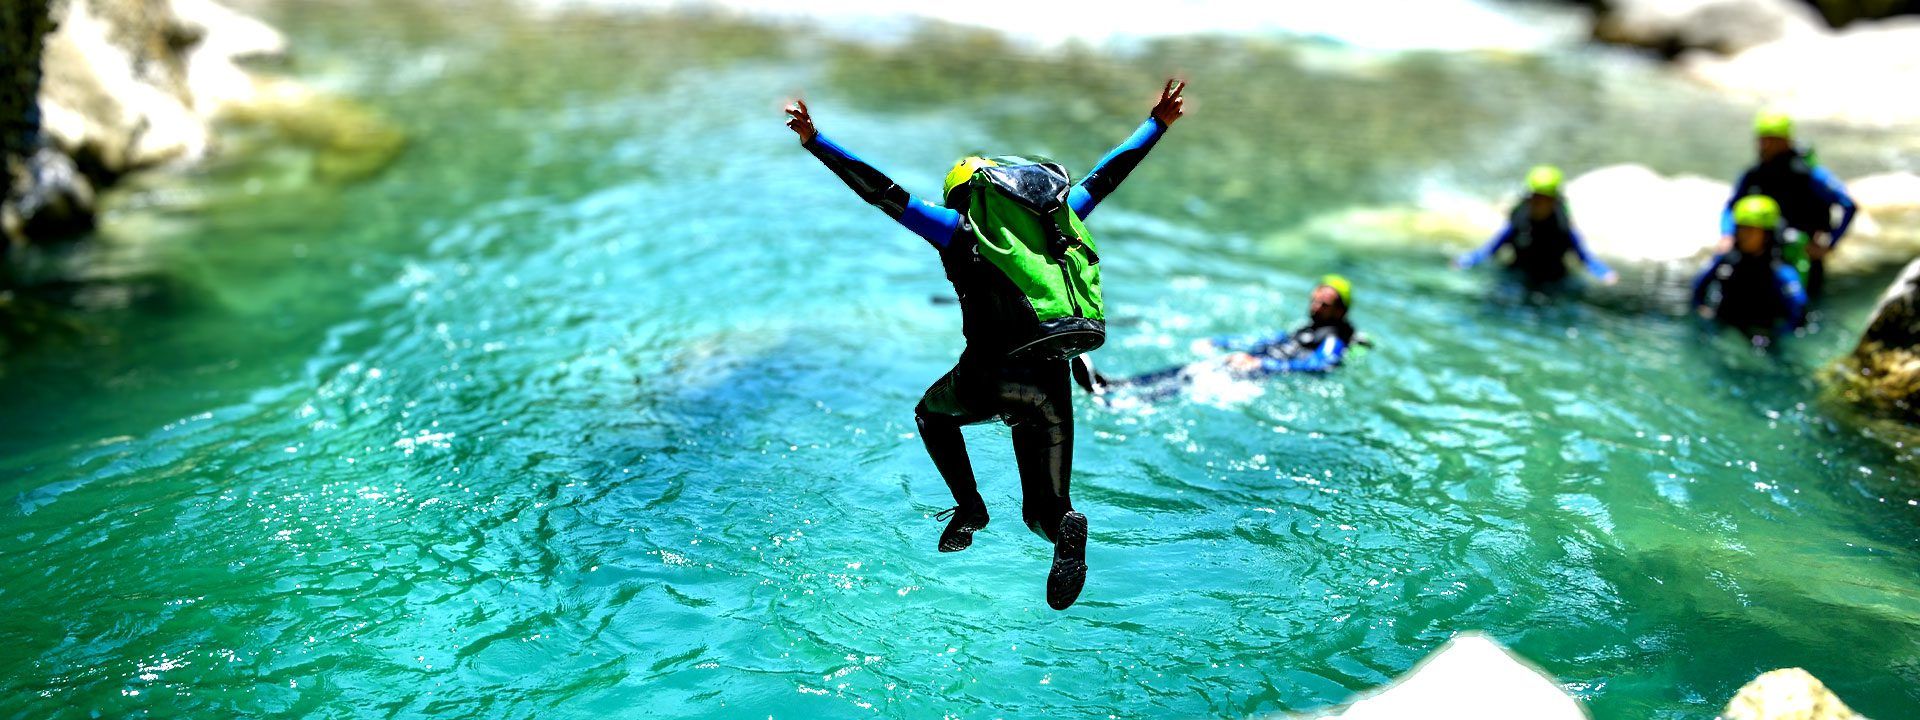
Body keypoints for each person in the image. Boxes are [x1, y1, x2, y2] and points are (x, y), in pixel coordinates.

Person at [784, 79, 1186, 610]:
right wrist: (1155, 123)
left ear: (961, 195)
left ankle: (970, 506)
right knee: (1044, 510)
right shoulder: (1055, 224)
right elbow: (1106, 176)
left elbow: (883, 192)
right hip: (1051, 383)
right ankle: (1066, 526)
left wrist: (817, 141)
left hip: (987, 375)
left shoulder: (955, 229)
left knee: (932, 413)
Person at [1075, 275, 1360, 398]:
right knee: (1190, 370)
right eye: (1314, 300)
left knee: (1195, 378)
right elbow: (1267, 341)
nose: (1315, 307)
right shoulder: (1308, 326)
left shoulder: (1335, 335)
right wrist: (1224, 341)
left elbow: (1322, 364)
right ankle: (1116, 385)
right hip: (1252, 360)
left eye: (1325, 304)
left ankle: (1126, 399)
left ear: (1341, 310)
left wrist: (1263, 365)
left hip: (1261, 371)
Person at [1719, 110, 1855, 298]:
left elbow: (1848, 205)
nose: (1764, 146)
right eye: (1761, 139)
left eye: (1771, 140)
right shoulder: (1754, 174)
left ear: (1786, 141)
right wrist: (1726, 234)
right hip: (1764, 252)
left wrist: (1830, 244)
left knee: (1806, 302)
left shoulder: (1810, 174)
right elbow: (1731, 207)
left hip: (1802, 252)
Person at [1454, 165, 1618, 286]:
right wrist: (1465, 261)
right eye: (1535, 199)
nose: (1539, 204)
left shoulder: (1563, 227)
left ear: (1555, 201)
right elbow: (1489, 250)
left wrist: (1606, 274)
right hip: (1518, 272)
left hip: (1553, 278)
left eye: (1545, 200)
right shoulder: (1519, 221)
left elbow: (1586, 259)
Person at [1692, 195, 1807, 344]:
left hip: (1760, 334)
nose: (1743, 235)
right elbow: (1699, 287)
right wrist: (1702, 310)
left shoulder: (1780, 272)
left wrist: (1774, 336)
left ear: (1766, 234)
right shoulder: (1726, 259)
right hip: (1723, 326)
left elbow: (1798, 313)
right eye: (1740, 228)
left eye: (1750, 230)